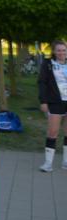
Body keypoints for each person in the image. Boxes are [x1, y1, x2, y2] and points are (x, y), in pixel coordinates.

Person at [37, 40, 67, 172]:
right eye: (59, 50)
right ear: (54, 51)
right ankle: (48, 164)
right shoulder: (48, 64)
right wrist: (43, 101)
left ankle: (66, 162)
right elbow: (42, 82)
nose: (62, 53)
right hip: (55, 102)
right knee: (53, 132)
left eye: (64, 50)